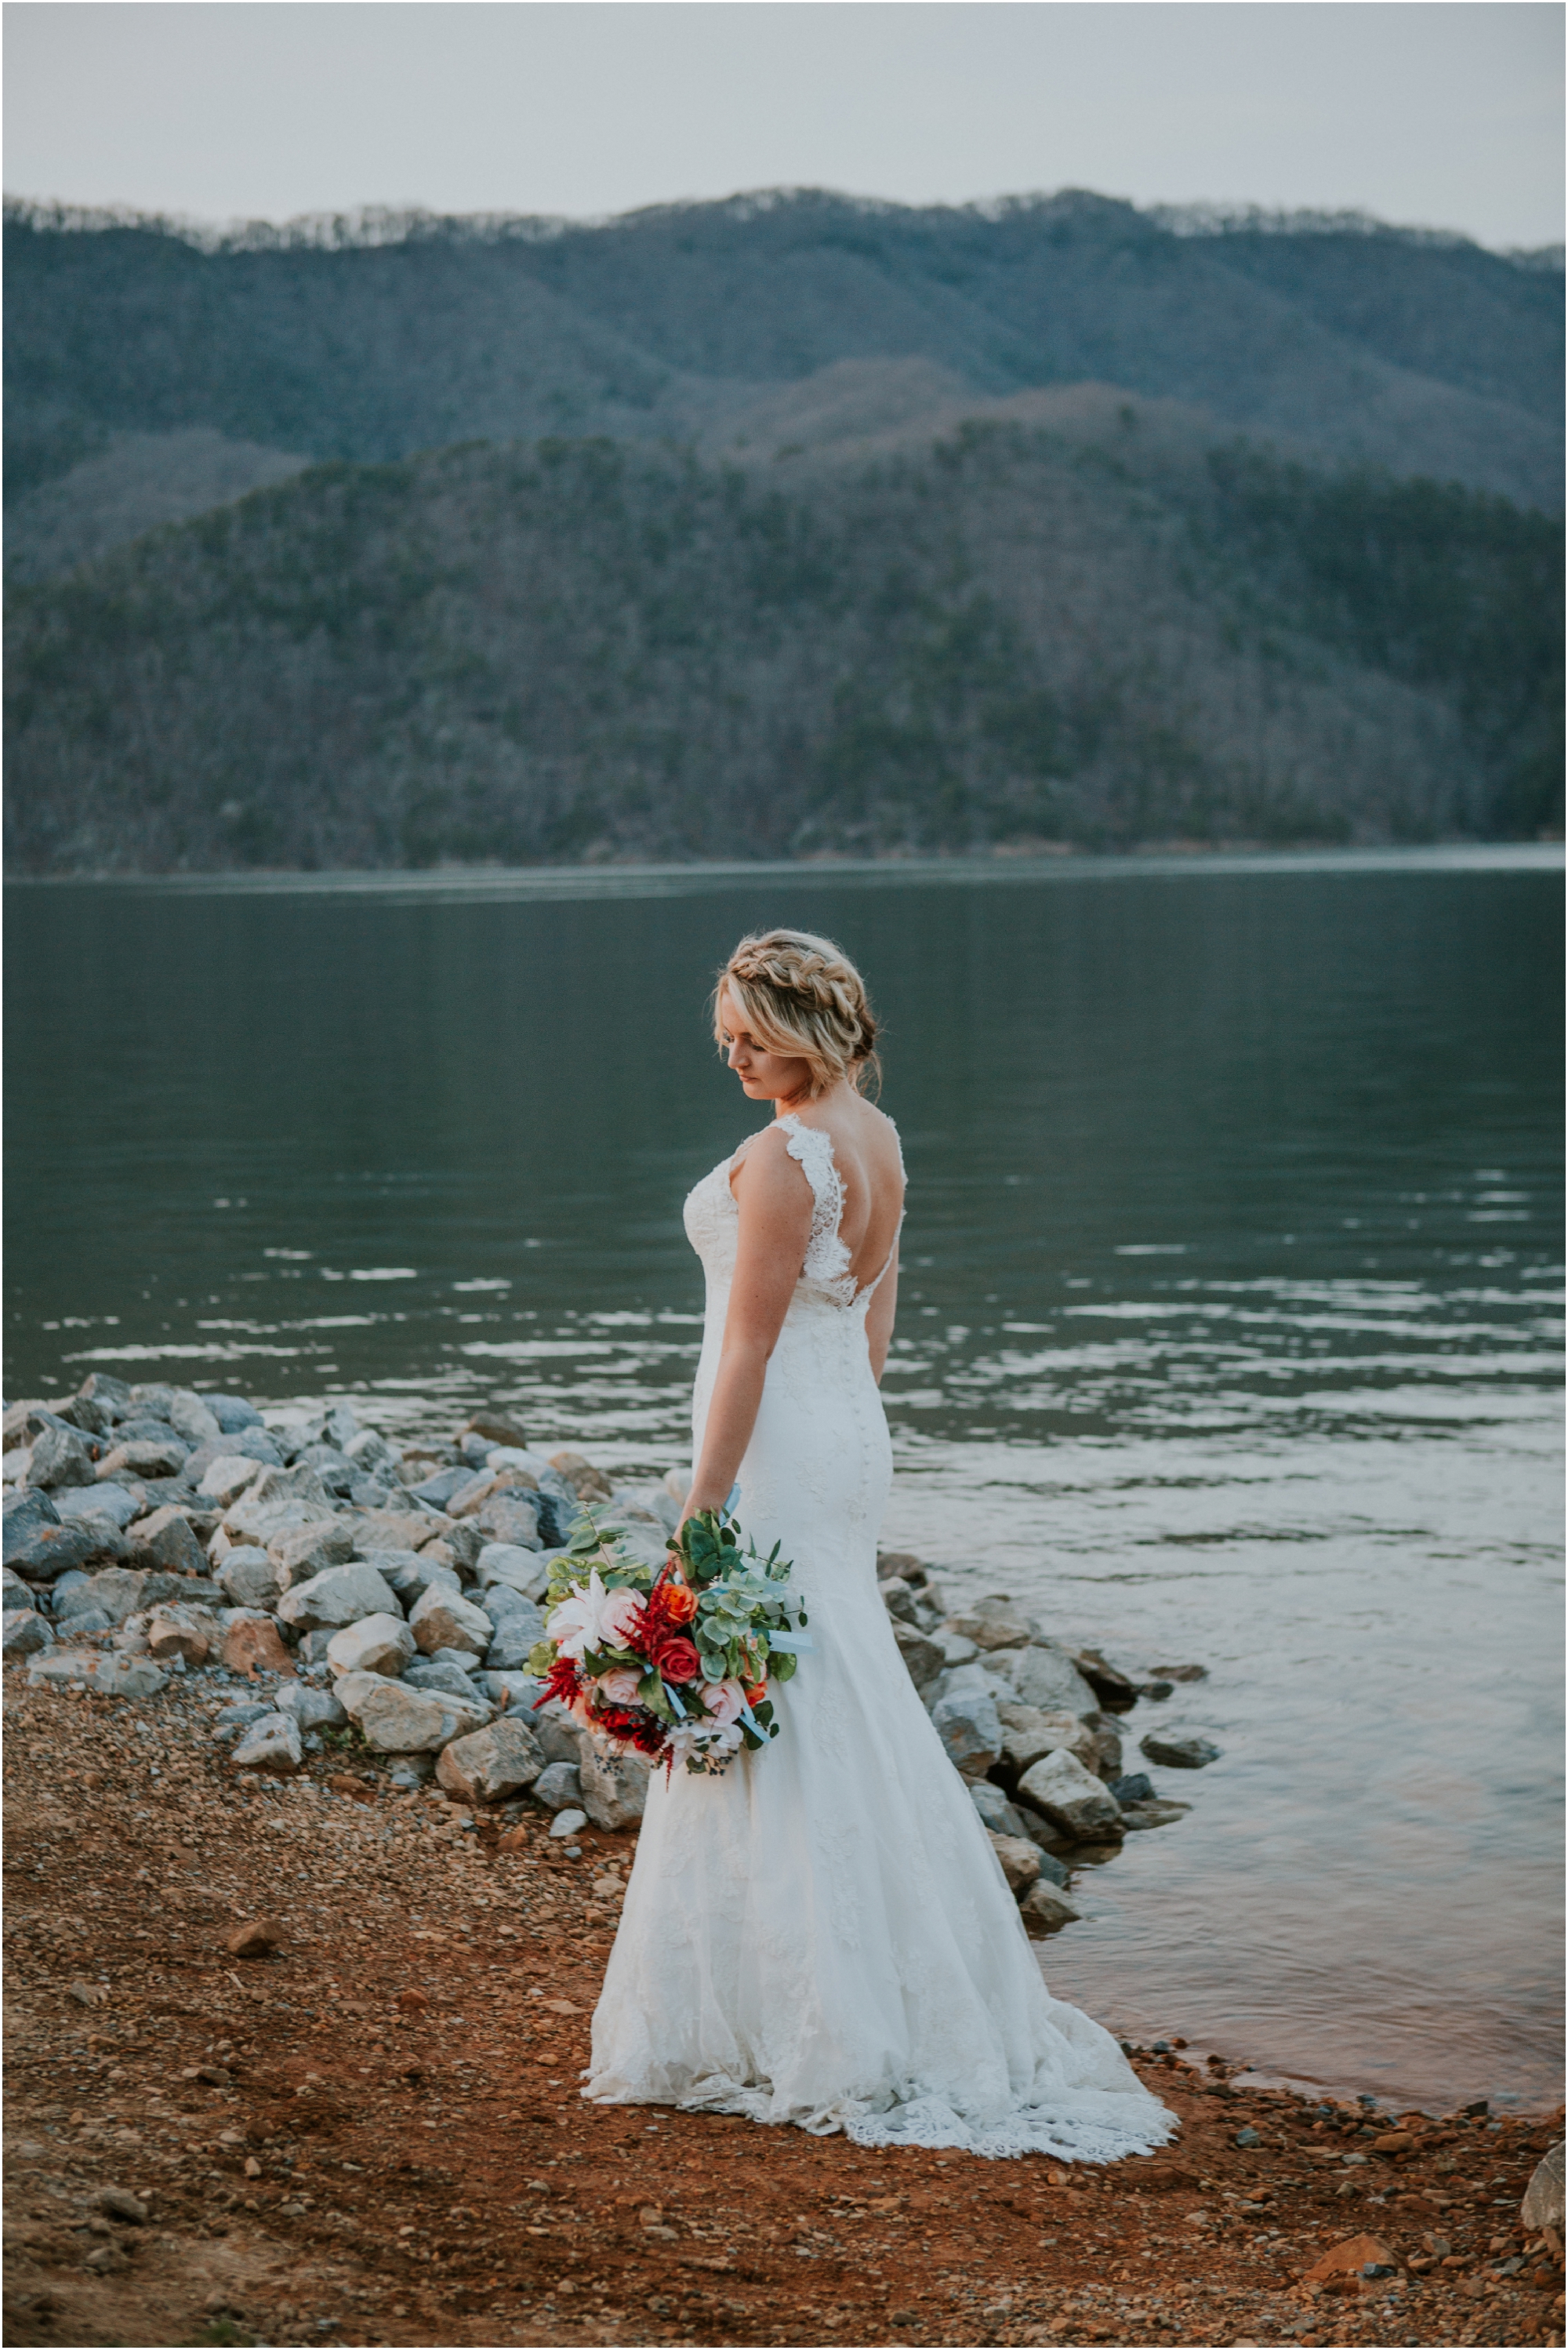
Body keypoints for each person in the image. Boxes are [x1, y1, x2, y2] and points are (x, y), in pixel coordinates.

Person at [586, 928, 1172, 2159]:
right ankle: (888, 1984)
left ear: (806, 1027)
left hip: (788, 1437)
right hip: (845, 1426)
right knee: (834, 1689)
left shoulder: (785, 1153)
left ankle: (814, 2013)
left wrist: (701, 1511)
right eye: (724, 1039)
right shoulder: (880, 1137)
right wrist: (850, 1416)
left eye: (748, 1035)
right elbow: (874, 1301)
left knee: (780, 1698)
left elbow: (744, 1347)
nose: (732, 1054)